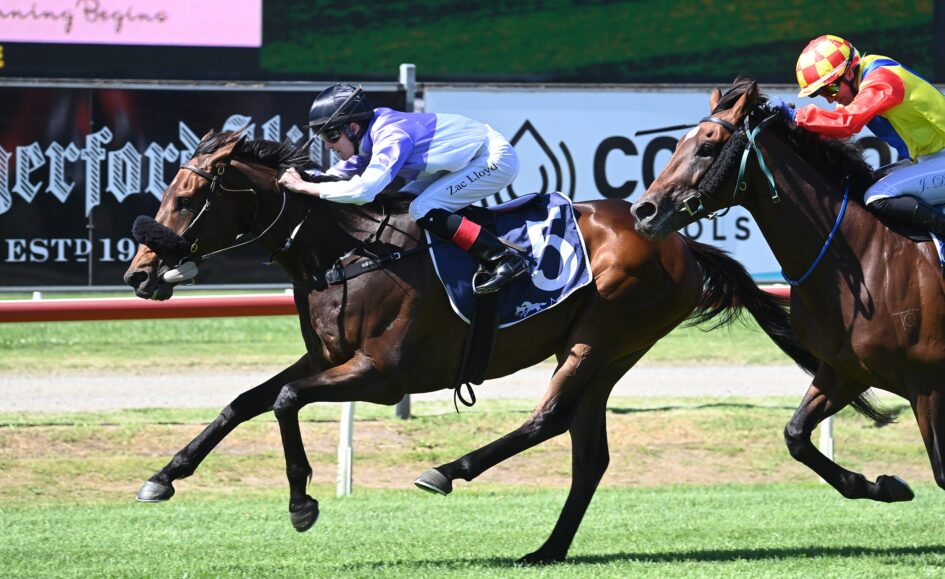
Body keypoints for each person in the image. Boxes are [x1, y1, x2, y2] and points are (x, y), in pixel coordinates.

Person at [278, 83, 527, 294]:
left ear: (352, 128)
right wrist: (297, 176)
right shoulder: (368, 135)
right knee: (405, 202)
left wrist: (304, 187)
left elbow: (364, 192)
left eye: (330, 135)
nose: (328, 146)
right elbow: (331, 178)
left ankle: (503, 257)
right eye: (322, 137)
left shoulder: (391, 135)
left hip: (493, 159)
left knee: (422, 208)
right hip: (466, 160)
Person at [769, 34, 945, 238]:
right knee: (869, 184)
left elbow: (847, 122)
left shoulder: (883, 79)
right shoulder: (862, 77)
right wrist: (788, 127)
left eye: (831, 88)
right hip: (931, 159)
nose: (830, 98)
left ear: (851, 72)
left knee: (877, 196)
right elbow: (831, 132)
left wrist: (795, 115)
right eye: (821, 94)